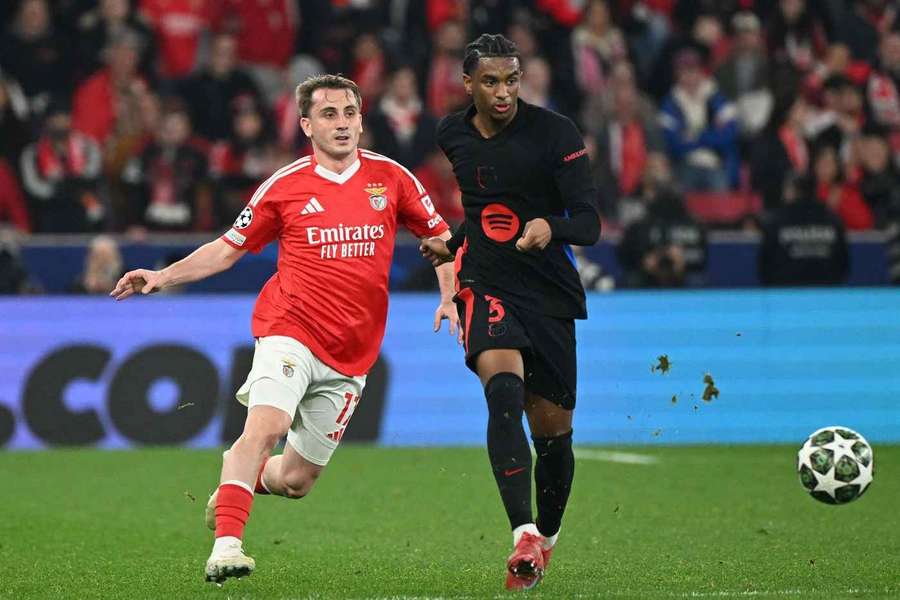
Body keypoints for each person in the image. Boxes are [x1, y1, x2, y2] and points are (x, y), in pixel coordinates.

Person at [110, 74, 457, 584]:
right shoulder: (285, 186)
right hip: (289, 328)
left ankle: (239, 479)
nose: (341, 124)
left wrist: (449, 294)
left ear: (362, 119)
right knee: (265, 429)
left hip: (353, 352)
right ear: (305, 125)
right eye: (328, 115)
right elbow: (227, 249)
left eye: (349, 113)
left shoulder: (393, 178)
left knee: (295, 481)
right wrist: (163, 275)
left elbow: (440, 236)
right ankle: (226, 546)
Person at [419, 34, 600, 591]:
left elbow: (590, 222)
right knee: (502, 394)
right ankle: (521, 531)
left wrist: (553, 227)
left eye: (512, 80)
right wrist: (452, 243)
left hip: (548, 292)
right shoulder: (452, 133)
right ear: (467, 83)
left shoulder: (556, 133)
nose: (503, 93)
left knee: (554, 440)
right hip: (487, 284)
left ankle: (544, 537)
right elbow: (482, 211)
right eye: (491, 82)